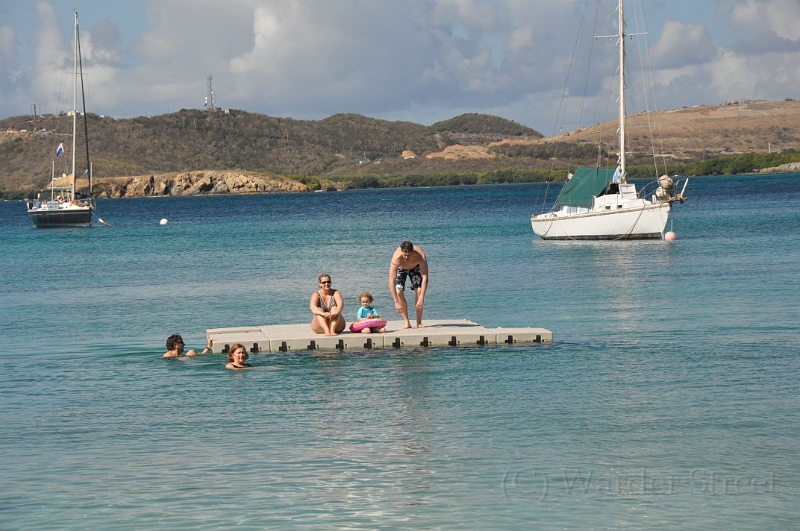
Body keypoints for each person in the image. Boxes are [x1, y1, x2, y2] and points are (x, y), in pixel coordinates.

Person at [389, 241, 428, 329]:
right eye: (404, 255)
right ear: (401, 251)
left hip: (415, 267)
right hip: (401, 268)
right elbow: (391, 281)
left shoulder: (420, 256)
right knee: (399, 292)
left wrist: (421, 297)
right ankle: (406, 322)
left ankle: (419, 322)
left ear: (412, 252)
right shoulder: (397, 258)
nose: (406, 257)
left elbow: (425, 277)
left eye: (408, 255)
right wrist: (396, 302)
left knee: (419, 291)